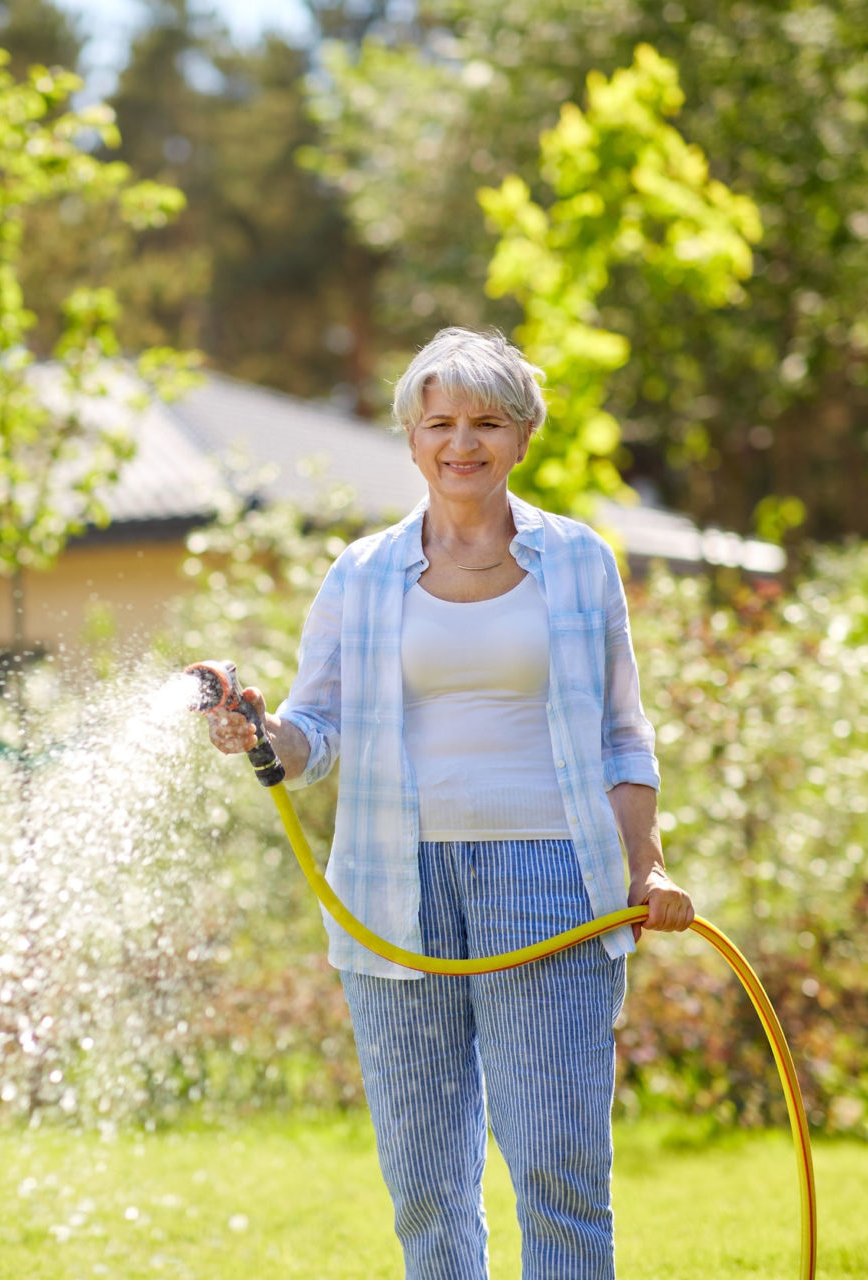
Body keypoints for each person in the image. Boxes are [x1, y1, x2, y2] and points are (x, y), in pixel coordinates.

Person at [204, 327, 693, 1280]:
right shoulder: (362, 572)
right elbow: (315, 729)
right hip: (393, 887)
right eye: (440, 423)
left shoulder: (580, 560)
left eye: (485, 422)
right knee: (426, 1189)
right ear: (412, 438)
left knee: (559, 1174)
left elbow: (622, 735)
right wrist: (265, 734)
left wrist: (649, 865)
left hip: (554, 883)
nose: (461, 443)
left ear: (521, 436)